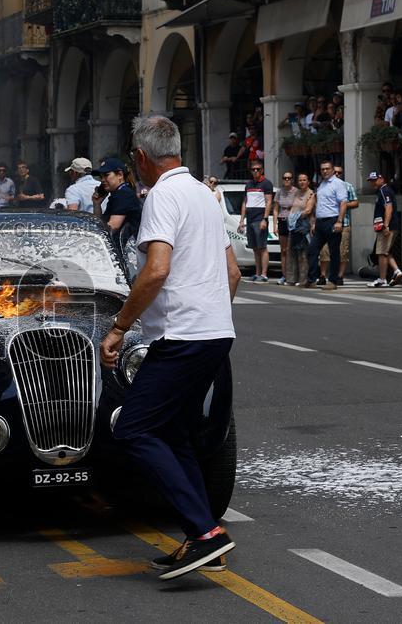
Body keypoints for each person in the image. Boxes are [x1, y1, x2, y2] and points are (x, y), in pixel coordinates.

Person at [101, 115, 240, 580]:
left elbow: (156, 270)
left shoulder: (161, 196)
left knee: (134, 429)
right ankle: (205, 535)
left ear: (141, 157)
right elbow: (233, 273)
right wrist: (210, 314)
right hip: (213, 333)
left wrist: (120, 327)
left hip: (181, 337)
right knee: (174, 432)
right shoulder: (203, 193)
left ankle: (205, 533)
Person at [304, 160, 347, 290]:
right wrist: (314, 223)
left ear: (333, 170)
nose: (325, 171)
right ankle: (311, 279)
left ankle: (333, 281)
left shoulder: (338, 184)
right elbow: (320, 204)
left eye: (327, 169)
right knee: (312, 250)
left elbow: (343, 203)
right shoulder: (321, 184)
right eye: (322, 169)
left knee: (334, 252)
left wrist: (339, 221)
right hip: (320, 222)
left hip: (332, 220)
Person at [319, 165, 357, 284]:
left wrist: (343, 204)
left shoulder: (347, 186)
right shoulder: (324, 185)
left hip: (344, 223)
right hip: (327, 223)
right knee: (324, 250)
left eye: (339, 173)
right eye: (335, 172)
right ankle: (322, 275)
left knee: (342, 251)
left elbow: (356, 202)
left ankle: (339, 276)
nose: (336, 174)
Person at [237, 160, 274, 282]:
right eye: (253, 169)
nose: (256, 171)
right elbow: (245, 202)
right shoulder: (248, 185)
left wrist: (265, 219)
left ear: (262, 170)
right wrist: (241, 220)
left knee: (262, 246)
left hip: (259, 218)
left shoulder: (266, 184)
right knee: (255, 247)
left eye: (258, 169)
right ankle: (257, 273)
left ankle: (264, 274)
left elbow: (269, 201)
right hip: (250, 218)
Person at [366, 172, 402, 287]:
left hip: (387, 227)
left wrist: (386, 225)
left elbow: (388, 207)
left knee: (381, 252)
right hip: (390, 226)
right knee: (386, 251)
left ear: (381, 179)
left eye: (374, 180)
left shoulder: (384, 191)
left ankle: (382, 279)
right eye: (371, 181)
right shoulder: (383, 191)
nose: (372, 183)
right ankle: (397, 271)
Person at [92, 158, 141, 237]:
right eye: (101, 177)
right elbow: (99, 224)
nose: (102, 180)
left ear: (120, 175)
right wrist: (97, 204)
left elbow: (112, 227)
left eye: (106, 175)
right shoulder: (118, 194)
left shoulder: (123, 194)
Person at [286, 173, 315, 286]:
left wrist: (294, 216)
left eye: (304, 180)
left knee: (303, 254)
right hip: (293, 227)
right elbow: (292, 207)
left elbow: (308, 210)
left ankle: (303, 279)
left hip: (304, 226)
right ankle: (291, 279)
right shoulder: (296, 193)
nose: (302, 182)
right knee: (291, 253)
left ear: (308, 182)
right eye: (300, 180)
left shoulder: (311, 194)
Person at [272, 172, 297, 285]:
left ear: (292, 179)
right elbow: (276, 209)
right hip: (282, 220)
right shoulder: (279, 192)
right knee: (284, 250)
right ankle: (284, 275)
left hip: (293, 221)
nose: (287, 180)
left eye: (289, 178)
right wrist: (274, 225)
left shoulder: (296, 192)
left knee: (293, 249)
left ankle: (294, 274)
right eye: (285, 178)